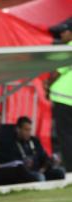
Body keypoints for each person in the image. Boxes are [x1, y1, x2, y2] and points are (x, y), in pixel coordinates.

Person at [47, 22, 72, 172]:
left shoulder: (68, 48)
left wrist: (47, 85)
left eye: (63, 32)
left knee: (66, 137)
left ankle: (70, 171)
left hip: (64, 99)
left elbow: (57, 73)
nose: (61, 35)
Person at [13, 117, 65, 181]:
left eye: (30, 130)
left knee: (60, 172)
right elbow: (14, 163)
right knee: (40, 177)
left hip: (40, 171)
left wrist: (51, 160)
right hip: (25, 174)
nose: (28, 133)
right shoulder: (13, 143)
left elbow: (44, 157)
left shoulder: (34, 140)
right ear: (18, 129)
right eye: (26, 130)